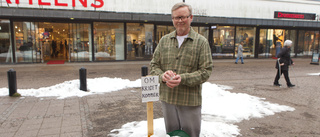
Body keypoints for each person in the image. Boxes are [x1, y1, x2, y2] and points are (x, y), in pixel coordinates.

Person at [150, 2, 213, 137]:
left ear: (191, 17)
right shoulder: (164, 41)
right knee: (172, 134)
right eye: (176, 18)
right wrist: (162, 76)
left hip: (189, 101)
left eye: (183, 17)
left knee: (190, 135)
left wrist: (182, 78)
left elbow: (206, 71)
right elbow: (154, 66)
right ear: (172, 19)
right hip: (168, 99)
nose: (180, 21)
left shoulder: (201, 42)